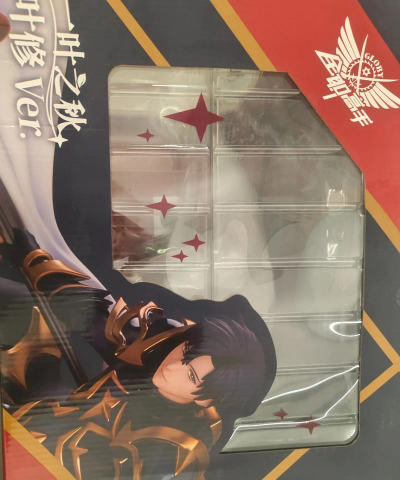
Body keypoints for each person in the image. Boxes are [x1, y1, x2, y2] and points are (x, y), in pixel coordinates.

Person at [0, 229, 276, 480]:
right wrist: (32, 257)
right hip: (52, 415)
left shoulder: (175, 447)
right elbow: (86, 314)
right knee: (22, 309)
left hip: (53, 459)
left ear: (206, 401)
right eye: (184, 353)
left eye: (191, 376)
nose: (172, 367)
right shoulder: (156, 347)